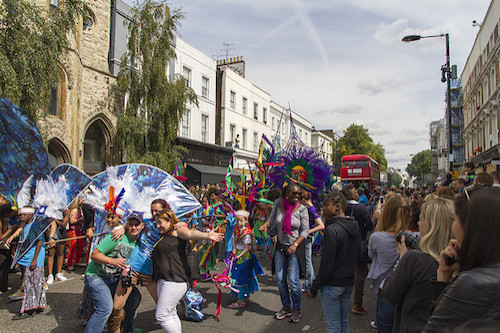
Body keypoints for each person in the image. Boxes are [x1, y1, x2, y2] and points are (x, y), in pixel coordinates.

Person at [424, 186, 500, 332]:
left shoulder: (470, 284)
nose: (452, 227)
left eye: (454, 219)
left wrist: (442, 278)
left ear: (471, 227)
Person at [383, 198, 454, 333]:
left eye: (421, 219)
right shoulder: (458, 262)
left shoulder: (415, 260)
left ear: (431, 225)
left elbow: (390, 294)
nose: (418, 223)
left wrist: (401, 260)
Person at [152, 206, 224, 332]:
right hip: (164, 279)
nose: (158, 226)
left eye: (160, 223)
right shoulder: (161, 235)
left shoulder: (178, 231)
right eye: (156, 223)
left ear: (170, 221)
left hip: (175, 280)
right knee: (171, 313)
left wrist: (207, 235)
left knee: (162, 315)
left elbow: (190, 233)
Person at [307, 190, 360, 333]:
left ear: (337, 207)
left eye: (326, 205)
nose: (323, 208)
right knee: (343, 323)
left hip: (332, 285)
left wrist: (314, 287)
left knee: (333, 326)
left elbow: (327, 265)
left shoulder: (332, 230)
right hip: (348, 282)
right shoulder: (354, 225)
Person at [83, 213, 144, 333]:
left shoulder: (140, 242)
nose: (133, 228)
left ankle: (127, 329)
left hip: (115, 279)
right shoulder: (116, 237)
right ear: (127, 225)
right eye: (131, 224)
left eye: (137, 225)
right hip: (96, 276)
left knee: (134, 297)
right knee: (105, 307)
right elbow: (94, 254)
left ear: (142, 226)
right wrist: (113, 261)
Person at [261, 183, 309, 323]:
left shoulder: (302, 209)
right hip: (280, 247)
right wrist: (266, 225)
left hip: (294, 248)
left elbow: (305, 231)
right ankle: (286, 307)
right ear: (286, 194)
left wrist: (295, 244)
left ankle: (297, 309)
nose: (297, 196)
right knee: (280, 279)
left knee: (294, 281)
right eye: (294, 193)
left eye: (298, 194)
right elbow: (271, 220)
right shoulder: (278, 203)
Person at [366, 194, 409, 332]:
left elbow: (371, 256)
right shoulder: (413, 238)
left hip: (386, 291)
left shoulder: (376, 238)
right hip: (408, 293)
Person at [6, 207, 47, 320]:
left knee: (31, 284)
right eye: (20, 215)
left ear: (30, 215)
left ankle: (28, 309)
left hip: (34, 259)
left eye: (24, 215)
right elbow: (20, 233)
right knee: (34, 283)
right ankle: (37, 305)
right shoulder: (24, 225)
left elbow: (40, 241)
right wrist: (12, 237)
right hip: (27, 258)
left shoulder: (36, 226)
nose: (21, 217)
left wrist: (34, 260)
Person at [343, 184, 373, 315]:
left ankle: (340, 301)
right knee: (360, 274)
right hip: (359, 243)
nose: (357, 193)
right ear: (353, 194)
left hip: (343, 243)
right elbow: (370, 226)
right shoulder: (363, 208)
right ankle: (357, 303)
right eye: (355, 192)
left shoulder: (341, 207)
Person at [228, 210, 264, 309]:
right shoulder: (236, 230)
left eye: (241, 221)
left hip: (244, 257)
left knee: (240, 277)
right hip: (237, 255)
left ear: (245, 221)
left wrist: (238, 256)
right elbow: (234, 240)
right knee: (239, 276)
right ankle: (244, 296)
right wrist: (234, 249)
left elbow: (247, 248)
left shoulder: (247, 233)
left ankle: (240, 300)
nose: (239, 223)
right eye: (237, 221)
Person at [300, 190, 325, 293]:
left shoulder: (311, 209)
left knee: (307, 261)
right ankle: (310, 282)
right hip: (307, 237)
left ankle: (309, 284)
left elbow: (321, 225)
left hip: (308, 237)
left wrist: (307, 231)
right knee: (307, 260)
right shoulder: (309, 207)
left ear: (303, 199)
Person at [46, 212, 69, 285]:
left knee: (60, 252)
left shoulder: (66, 210)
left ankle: (58, 273)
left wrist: (54, 220)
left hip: (61, 232)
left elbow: (63, 224)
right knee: (50, 253)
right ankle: (50, 274)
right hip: (51, 231)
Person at [67, 198, 85, 271]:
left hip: (78, 230)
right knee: (72, 248)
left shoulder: (79, 209)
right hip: (73, 230)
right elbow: (72, 221)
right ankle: (69, 264)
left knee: (81, 245)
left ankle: (77, 261)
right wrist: (80, 219)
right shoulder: (75, 210)